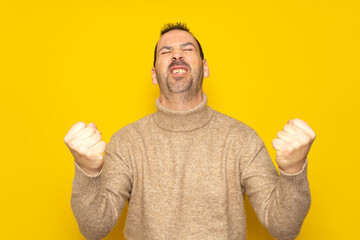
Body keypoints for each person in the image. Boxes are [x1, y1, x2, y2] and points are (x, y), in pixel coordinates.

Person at [64, 22, 316, 240]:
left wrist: (293, 170)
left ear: (205, 67)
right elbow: (94, 229)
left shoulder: (242, 139)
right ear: (154, 74)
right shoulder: (127, 141)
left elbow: (284, 228)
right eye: (166, 51)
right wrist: (87, 172)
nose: (177, 55)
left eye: (187, 49)